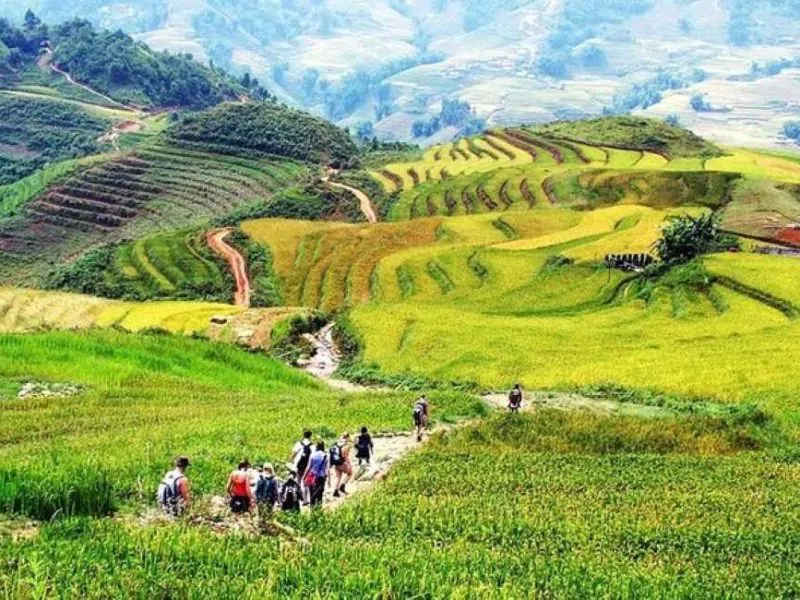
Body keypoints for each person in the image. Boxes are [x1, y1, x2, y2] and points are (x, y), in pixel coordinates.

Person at [291, 430, 313, 504]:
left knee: (298, 481)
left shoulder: (299, 444)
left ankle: (297, 497)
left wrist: (291, 460)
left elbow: (294, 453)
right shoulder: (312, 445)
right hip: (307, 466)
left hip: (298, 465)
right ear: (310, 436)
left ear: (303, 436)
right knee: (306, 483)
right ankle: (305, 499)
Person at [307, 441, 329, 508]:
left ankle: (312, 507)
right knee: (320, 494)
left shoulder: (313, 455)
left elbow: (309, 467)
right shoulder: (326, 455)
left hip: (312, 476)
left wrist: (304, 476)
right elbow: (326, 468)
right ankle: (319, 509)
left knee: (312, 493)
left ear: (317, 446)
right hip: (321, 477)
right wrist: (328, 479)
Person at [331, 432, 352, 497]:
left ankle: (335, 491)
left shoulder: (336, 443)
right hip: (342, 463)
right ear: (347, 437)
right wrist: (348, 464)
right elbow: (345, 456)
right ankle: (342, 486)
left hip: (336, 463)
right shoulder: (347, 445)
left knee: (338, 477)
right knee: (350, 473)